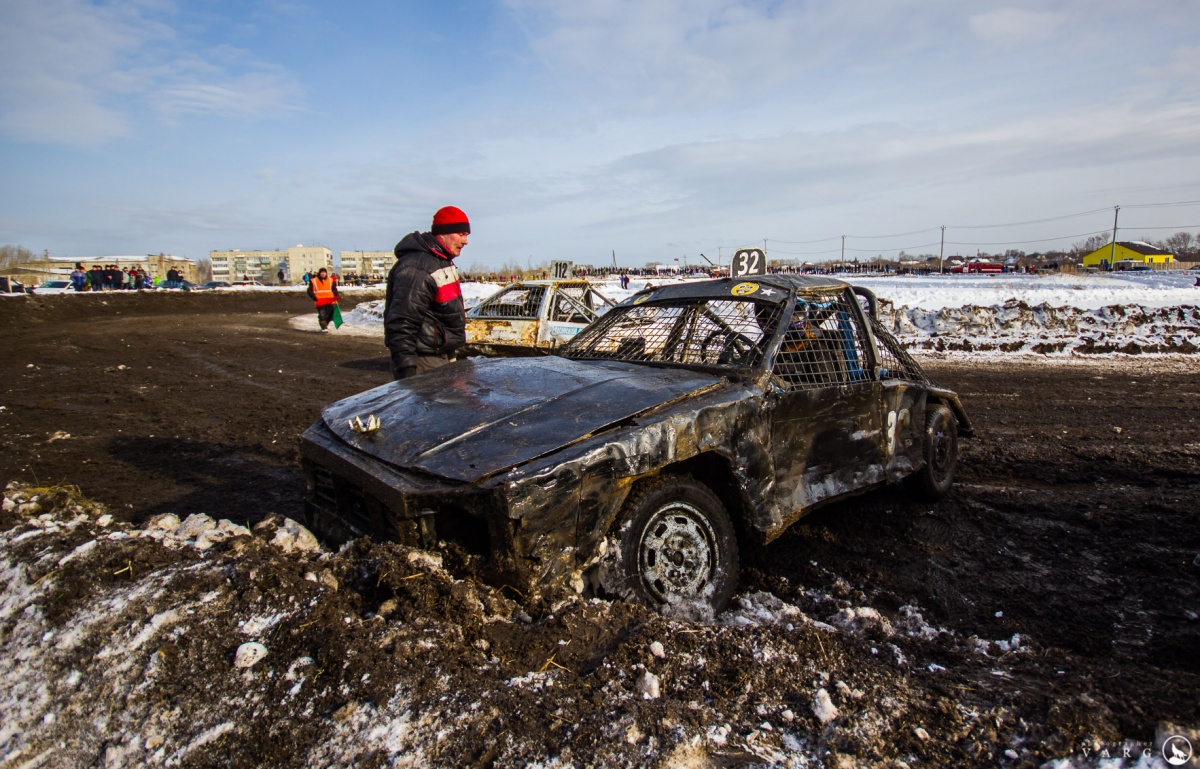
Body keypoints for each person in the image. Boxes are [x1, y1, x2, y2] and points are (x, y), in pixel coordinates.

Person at [384, 206, 470, 379]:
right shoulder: (418, 267)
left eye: (466, 235)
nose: (466, 241)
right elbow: (402, 322)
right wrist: (407, 367)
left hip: (439, 354)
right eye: (461, 234)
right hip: (424, 360)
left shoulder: (441, 262)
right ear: (443, 233)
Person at [306, 267, 341, 332]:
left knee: (330, 315)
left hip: (330, 300)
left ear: (326, 273)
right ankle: (324, 327)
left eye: (324, 272)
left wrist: (337, 296)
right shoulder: (314, 280)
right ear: (319, 273)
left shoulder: (330, 280)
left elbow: (334, 289)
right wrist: (313, 297)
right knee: (322, 315)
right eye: (322, 272)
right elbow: (309, 290)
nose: (323, 274)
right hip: (320, 301)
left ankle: (324, 324)